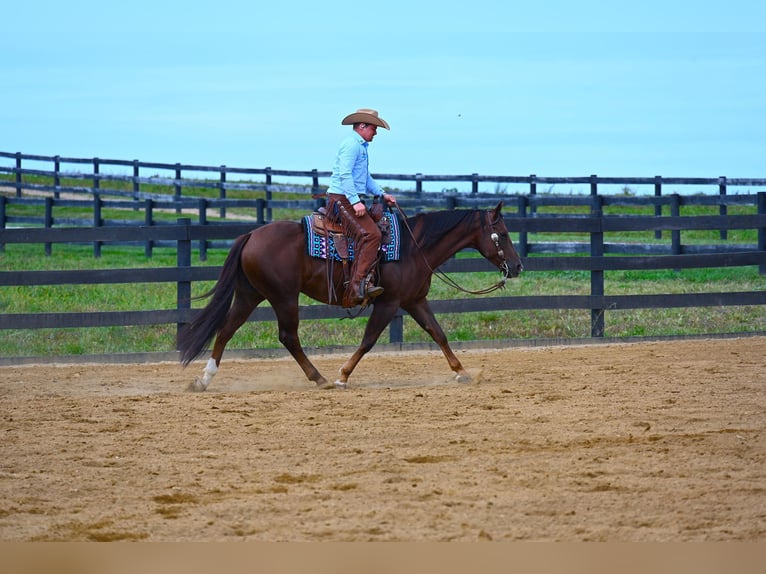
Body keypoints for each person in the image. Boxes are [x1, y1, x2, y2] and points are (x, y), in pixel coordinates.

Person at [326, 108, 397, 306]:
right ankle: (357, 285)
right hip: (342, 200)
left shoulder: (361, 146)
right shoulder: (351, 145)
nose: (376, 132)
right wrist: (355, 201)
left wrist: (382, 193)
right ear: (362, 126)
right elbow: (345, 175)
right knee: (372, 235)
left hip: (347, 197)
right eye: (374, 128)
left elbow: (364, 178)